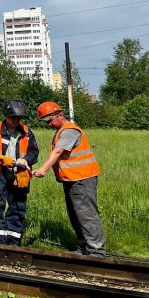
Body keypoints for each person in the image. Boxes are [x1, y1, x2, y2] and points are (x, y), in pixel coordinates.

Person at [32, 101, 106, 257]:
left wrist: (43, 169)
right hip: (71, 179)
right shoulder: (61, 131)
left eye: (50, 120)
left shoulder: (69, 131)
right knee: (75, 214)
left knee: (86, 214)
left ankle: (97, 252)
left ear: (60, 115)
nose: (49, 124)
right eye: (46, 122)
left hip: (82, 179)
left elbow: (58, 151)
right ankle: (84, 247)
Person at [0, 100, 39, 246]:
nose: (16, 121)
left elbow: (34, 152)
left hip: (19, 174)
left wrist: (26, 160)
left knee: (18, 207)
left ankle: (13, 242)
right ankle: (0, 242)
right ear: (6, 116)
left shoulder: (27, 132)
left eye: (19, 118)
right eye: (13, 118)